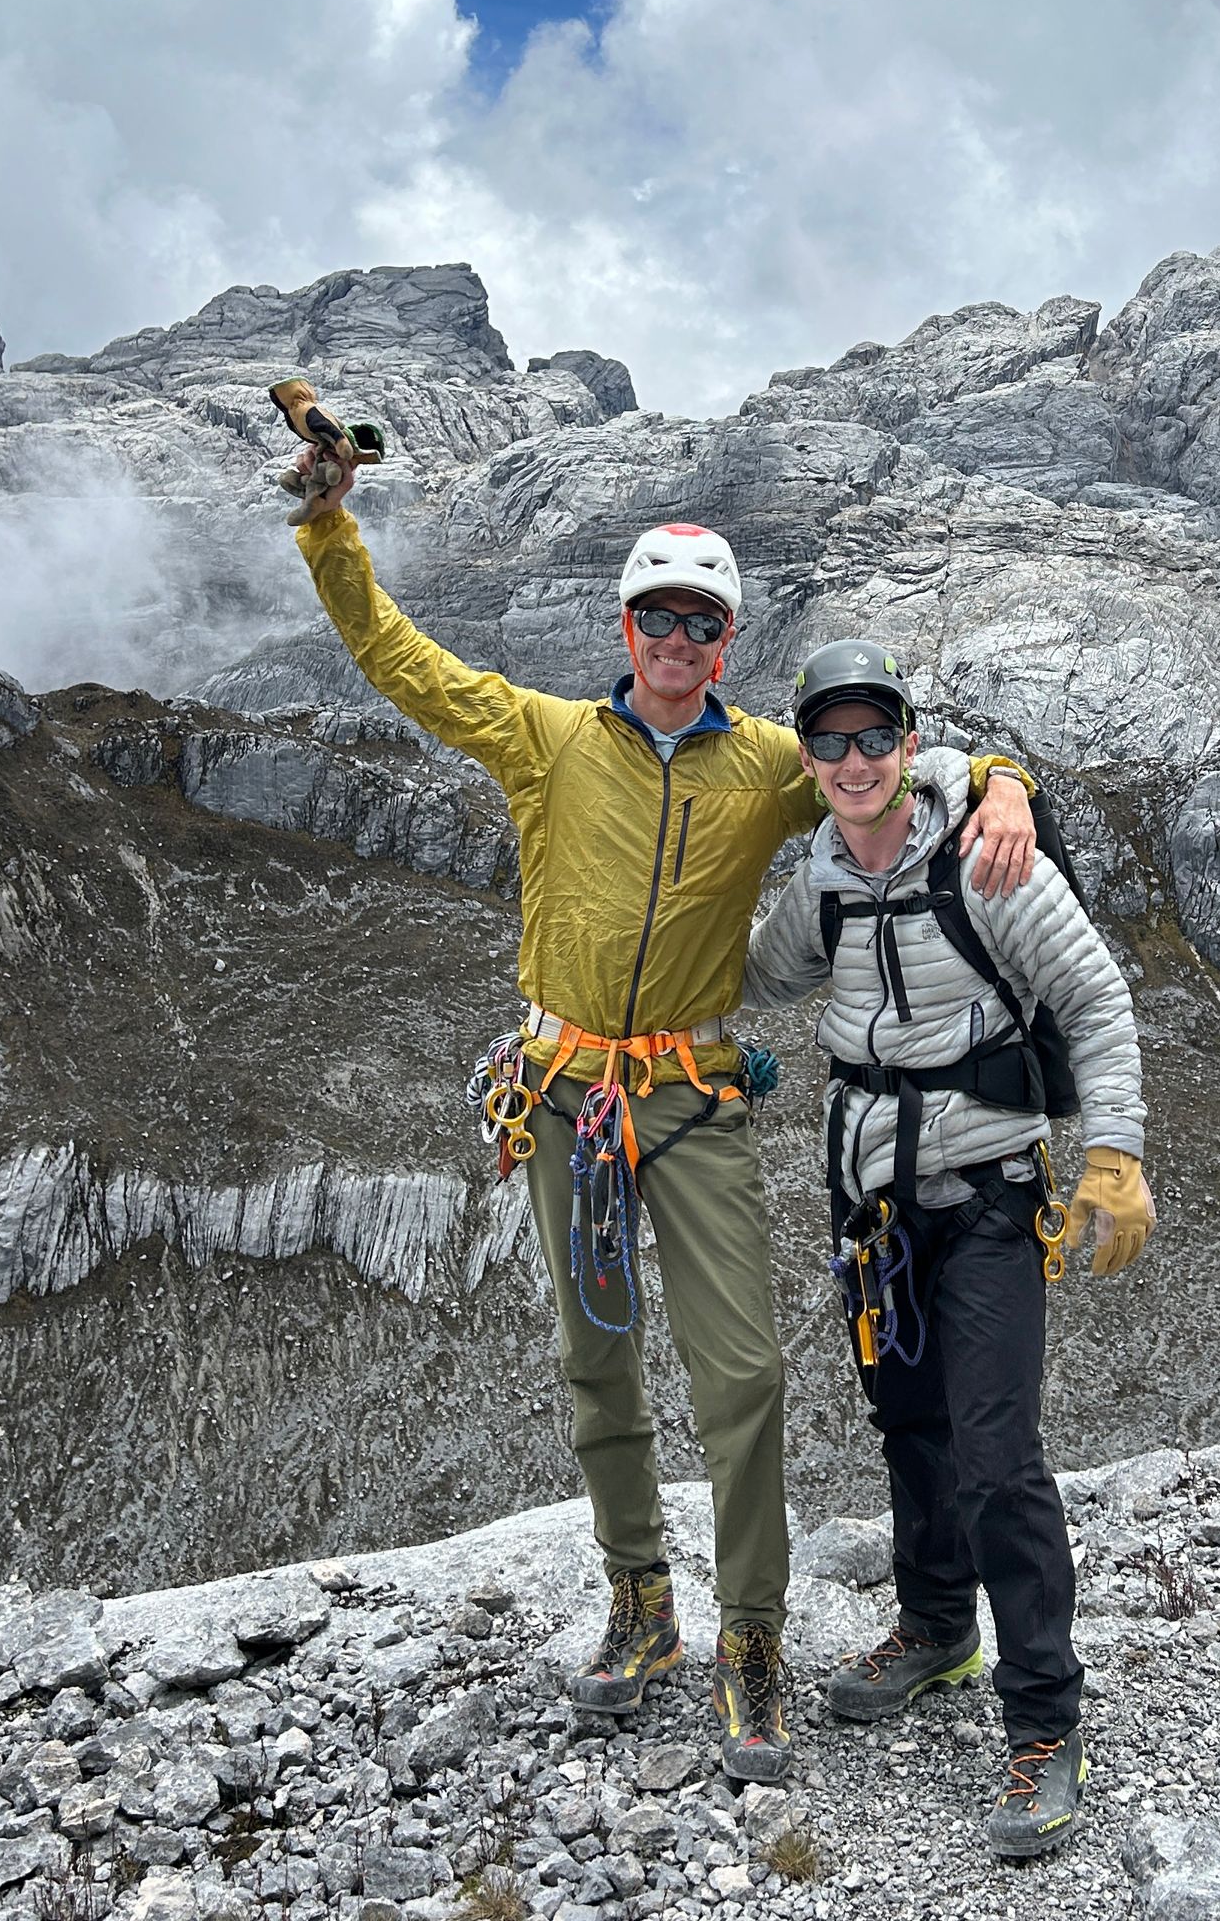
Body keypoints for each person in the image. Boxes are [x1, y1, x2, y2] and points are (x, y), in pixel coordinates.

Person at [283, 406, 1038, 1781]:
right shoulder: (544, 738)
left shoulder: (765, 765)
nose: (678, 644)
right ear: (623, 631)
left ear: (727, 643)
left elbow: (878, 774)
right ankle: (640, 1612)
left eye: (702, 625)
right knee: (595, 1362)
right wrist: (332, 527)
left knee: (740, 1372)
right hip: (565, 1090)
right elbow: (398, 661)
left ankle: (751, 1640)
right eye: (658, 620)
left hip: (689, 1101)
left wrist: (998, 784)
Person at [743, 638, 1154, 1852]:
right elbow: (749, 970)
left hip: (982, 1192)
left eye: (876, 735)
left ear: (909, 743)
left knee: (993, 1448)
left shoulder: (987, 854)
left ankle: (1042, 1720)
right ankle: (934, 1627)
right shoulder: (816, 880)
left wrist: (1113, 1155)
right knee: (907, 1420)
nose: (855, 758)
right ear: (808, 755)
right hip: (870, 1200)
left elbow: (1093, 999)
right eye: (831, 738)